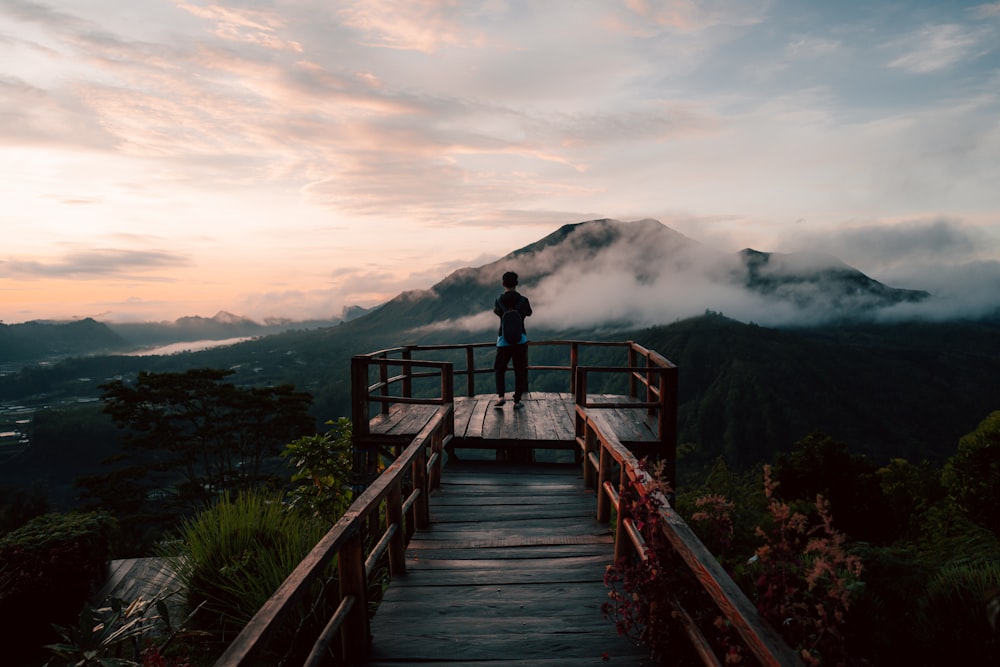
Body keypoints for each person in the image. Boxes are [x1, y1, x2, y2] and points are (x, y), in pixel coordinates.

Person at [493, 271, 532, 408]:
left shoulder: (499, 300)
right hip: (520, 338)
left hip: (503, 339)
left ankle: (501, 396)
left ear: (503, 284)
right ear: (517, 283)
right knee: (519, 369)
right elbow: (529, 313)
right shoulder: (523, 300)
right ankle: (517, 401)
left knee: (499, 368)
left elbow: (497, 312)